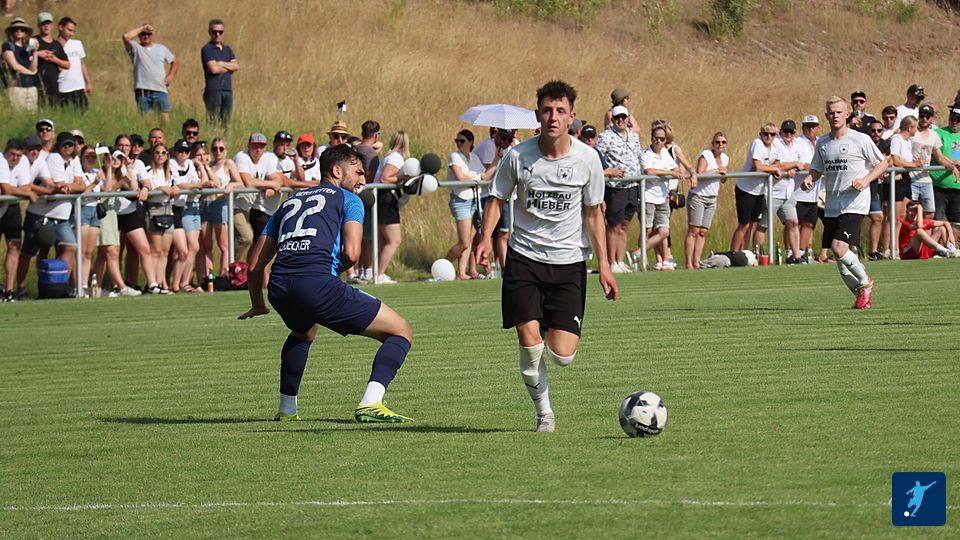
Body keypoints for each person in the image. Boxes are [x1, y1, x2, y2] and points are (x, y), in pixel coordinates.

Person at [475, 80, 618, 433]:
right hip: (523, 258)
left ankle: (541, 324)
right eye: (546, 111)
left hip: (569, 262)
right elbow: (497, 199)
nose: (553, 117)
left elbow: (593, 214)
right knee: (530, 342)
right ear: (537, 115)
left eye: (560, 111)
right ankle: (544, 414)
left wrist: (604, 265)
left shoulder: (588, 159)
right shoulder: (518, 157)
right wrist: (484, 239)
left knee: (563, 355)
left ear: (571, 116)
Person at [239, 144, 415, 424]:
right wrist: (328, 275)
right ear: (337, 171)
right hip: (317, 283)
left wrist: (258, 305)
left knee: (303, 332)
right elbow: (352, 254)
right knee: (401, 331)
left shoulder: (288, 203)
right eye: (358, 172)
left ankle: (287, 409)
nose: (363, 179)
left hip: (280, 288)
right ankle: (371, 403)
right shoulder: (349, 199)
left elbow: (254, 266)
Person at [802, 96, 888, 310]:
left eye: (839, 112)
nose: (835, 116)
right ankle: (861, 295)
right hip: (833, 204)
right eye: (831, 113)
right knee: (841, 262)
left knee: (838, 247)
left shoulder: (860, 139)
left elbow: (883, 163)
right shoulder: (823, 142)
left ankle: (866, 282)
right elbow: (817, 168)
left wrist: (866, 180)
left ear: (847, 114)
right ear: (826, 116)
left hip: (855, 202)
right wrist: (810, 178)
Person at [445, 129, 497, 280]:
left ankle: (461, 272)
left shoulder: (474, 157)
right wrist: (476, 178)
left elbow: (485, 176)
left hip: (474, 200)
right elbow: (460, 177)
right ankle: (442, 265)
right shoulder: (454, 156)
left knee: (470, 238)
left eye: (462, 141)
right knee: (464, 242)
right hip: (461, 200)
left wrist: (497, 158)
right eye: (457, 141)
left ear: (470, 142)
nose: (459, 143)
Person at [595, 105, 640, 273]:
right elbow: (597, 157)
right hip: (615, 187)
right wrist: (609, 171)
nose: (620, 120)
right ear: (612, 120)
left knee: (624, 224)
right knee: (614, 225)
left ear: (628, 119)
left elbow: (638, 157)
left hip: (632, 185)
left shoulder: (634, 136)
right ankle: (612, 261)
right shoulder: (605, 137)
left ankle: (620, 260)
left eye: (623, 117)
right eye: (617, 118)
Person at [234, 132, 283, 263]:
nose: (258, 149)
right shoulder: (242, 156)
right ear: (248, 145)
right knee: (246, 237)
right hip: (234, 204)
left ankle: (242, 269)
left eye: (261, 146)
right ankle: (231, 268)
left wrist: (272, 188)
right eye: (255, 146)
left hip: (248, 207)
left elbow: (278, 179)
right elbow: (248, 181)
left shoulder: (267, 158)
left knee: (255, 240)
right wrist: (270, 184)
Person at [731, 123, 781, 252]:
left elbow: (777, 164)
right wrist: (772, 169)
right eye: (766, 134)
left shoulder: (776, 146)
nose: (768, 137)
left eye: (772, 134)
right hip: (746, 189)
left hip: (760, 191)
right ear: (761, 134)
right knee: (743, 224)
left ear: (776, 135)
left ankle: (744, 253)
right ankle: (734, 253)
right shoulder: (757, 143)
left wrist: (772, 168)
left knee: (751, 224)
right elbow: (757, 167)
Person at [639, 124, 683, 270]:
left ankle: (638, 252)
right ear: (651, 138)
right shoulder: (645, 154)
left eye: (662, 139)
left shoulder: (665, 152)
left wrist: (677, 170)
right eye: (656, 138)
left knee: (664, 231)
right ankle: (642, 261)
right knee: (647, 230)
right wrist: (669, 173)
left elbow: (674, 167)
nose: (658, 141)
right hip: (648, 196)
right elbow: (649, 171)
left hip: (662, 197)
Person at [1, 139, 38, 301]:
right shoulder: (1, 160)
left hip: (11, 207)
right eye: (12, 154)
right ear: (5, 152)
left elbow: (26, 186)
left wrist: (19, 191)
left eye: (18, 155)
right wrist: (25, 193)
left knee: (15, 246)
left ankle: (8, 290)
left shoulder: (23, 161)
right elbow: (5, 188)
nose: (15, 158)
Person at [372, 130, 411, 284]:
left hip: (382, 199)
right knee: (394, 240)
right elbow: (385, 178)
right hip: (386, 199)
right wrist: (403, 177)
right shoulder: (395, 157)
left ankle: (377, 272)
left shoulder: (390, 156)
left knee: (384, 240)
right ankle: (379, 274)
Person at [686, 132, 729, 269]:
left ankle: (697, 261)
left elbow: (722, 180)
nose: (720, 145)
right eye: (717, 142)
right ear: (713, 143)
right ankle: (689, 263)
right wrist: (716, 170)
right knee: (694, 230)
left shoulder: (725, 158)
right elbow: (699, 173)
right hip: (698, 196)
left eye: (723, 142)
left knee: (703, 232)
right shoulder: (706, 155)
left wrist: (723, 174)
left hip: (712, 197)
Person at [122, 23, 178, 125]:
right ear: (139, 35)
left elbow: (174, 62)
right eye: (143, 34)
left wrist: (170, 76)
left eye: (149, 34)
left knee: (165, 122)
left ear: (153, 35)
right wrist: (143, 27)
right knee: (147, 124)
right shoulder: (136, 48)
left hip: (160, 90)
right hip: (143, 92)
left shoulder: (161, 48)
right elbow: (126, 36)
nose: (146, 36)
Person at [200, 137, 240, 276]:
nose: (218, 151)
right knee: (206, 246)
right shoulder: (208, 165)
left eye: (221, 148)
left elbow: (239, 182)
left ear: (226, 150)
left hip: (220, 204)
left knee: (223, 245)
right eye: (215, 148)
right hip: (205, 204)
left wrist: (231, 185)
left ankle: (224, 276)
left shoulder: (228, 163)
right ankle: (208, 278)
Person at [142, 142, 177, 293]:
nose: (160, 156)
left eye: (163, 153)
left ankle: (162, 283)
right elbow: (146, 192)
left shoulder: (169, 172)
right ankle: (153, 283)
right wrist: (160, 188)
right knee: (155, 250)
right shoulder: (148, 172)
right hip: (154, 209)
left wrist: (176, 188)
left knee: (165, 251)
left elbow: (177, 186)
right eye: (157, 152)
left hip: (168, 209)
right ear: (153, 154)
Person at [169, 139, 202, 292]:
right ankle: (174, 284)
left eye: (186, 151)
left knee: (188, 249)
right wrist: (197, 185)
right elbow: (180, 184)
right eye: (180, 151)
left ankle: (182, 283)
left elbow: (193, 181)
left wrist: (195, 184)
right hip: (171, 208)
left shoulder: (189, 163)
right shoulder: (171, 163)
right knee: (182, 250)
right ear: (175, 152)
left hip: (182, 207)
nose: (183, 154)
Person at [770, 120, 803, 262]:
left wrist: (794, 168)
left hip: (788, 191)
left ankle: (796, 256)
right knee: (763, 226)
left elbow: (801, 164)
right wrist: (793, 165)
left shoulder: (797, 144)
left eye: (791, 132)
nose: (788, 134)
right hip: (773, 191)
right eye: (785, 131)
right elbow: (775, 164)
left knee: (793, 222)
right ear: (780, 131)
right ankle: (758, 257)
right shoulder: (775, 143)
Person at [76, 144, 105, 294]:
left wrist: (108, 169)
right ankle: (78, 286)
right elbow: (80, 195)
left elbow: (107, 189)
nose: (90, 159)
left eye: (93, 156)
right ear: (81, 157)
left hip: (95, 211)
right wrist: (94, 183)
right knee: (81, 251)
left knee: (88, 252)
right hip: (83, 210)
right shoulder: (78, 173)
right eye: (87, 156)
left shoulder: (97, 172)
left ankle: (84, 285)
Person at [932, 102, 960, 244]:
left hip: (957, 187)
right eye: (952, 118)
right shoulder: (939, 133)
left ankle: (950, 248)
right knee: (936, 220)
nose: (954, 122)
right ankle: (934, 249)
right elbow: (938, 155)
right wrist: (953, 163)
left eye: (958, 120)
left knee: (956, 222)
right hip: (939, 186)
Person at [201, 19, 237, 127]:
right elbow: (214, 69)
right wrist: (228, 67)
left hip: (227, 89)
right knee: (213, 121)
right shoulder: (207, 49)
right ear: (209, 32)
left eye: (220, 32)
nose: (217, 34)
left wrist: (220, 63)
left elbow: (236, 66)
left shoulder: (227, 49)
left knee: (226, 121)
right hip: (213, 89)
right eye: (214, 32)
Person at [2, 17, 40, 112]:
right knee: (17, 113)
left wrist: (35, 52)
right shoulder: (8, 46)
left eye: (22, 30)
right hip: (15, 87)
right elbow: (14, 66)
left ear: (25, 33)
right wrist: (31, 73)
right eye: (16, 29)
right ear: (11, 32)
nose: (19, 31)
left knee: (32, 114)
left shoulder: (28, 48)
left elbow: (33, 67)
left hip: (30, 86)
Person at [56, 17, 91, 110]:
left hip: (79, 86)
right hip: (63, 87)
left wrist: (88, 82)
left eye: (73, 31)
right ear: (61, 28)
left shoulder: (77, 44)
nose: (71, 34)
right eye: (69, 30)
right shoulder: (54, 45)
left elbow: (82, 64)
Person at [34, 12, 67, 106]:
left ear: (52, 26)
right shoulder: (33, 41)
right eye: (43, 24)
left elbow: (67, 64)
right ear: (38, 26)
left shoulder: (56, 44)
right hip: (37, 83)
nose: (46, 27)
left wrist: (54, 59)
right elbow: (26, 58)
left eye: (48, 24)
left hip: (53, 84)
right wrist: (38, 54)